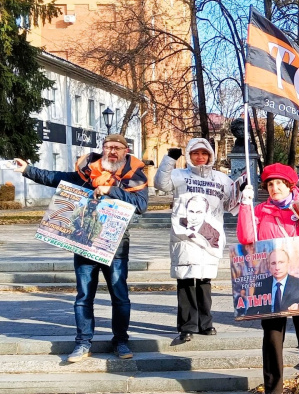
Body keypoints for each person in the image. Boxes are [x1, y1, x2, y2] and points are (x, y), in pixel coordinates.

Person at [12, 134, 148, 362]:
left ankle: (121, 342)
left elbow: (141, 205)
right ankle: (83, 343)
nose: (112, 151)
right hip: (84, 242)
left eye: (117, 147)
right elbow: (56, 178)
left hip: (116, 246)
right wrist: (28, 170)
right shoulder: (87, 173)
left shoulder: (134, 176)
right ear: (102, 150)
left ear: (126, 151)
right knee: (84, 296)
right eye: (108, 147)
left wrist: (109, 190)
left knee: (120, 296)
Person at [237, 163, 299, 394]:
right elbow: (246, 238)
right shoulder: (260, 210)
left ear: (289, 185)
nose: (274, 187)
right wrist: (245, 206)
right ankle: (272, 390)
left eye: (279, 183)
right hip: (271, 278)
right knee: (273, 337)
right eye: (270, 184)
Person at [155, 138, 235, 342]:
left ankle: (205, 323)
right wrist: (169, 160)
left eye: (204, 153)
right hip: (185, 237)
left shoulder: (221, 179)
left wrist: (245, 192)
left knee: (204, 281)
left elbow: (231, 203)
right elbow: (160, 184)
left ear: (210, 156)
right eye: (195, 153)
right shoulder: (179, 175)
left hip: (210, 237)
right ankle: (187, 325)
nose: (200, 157)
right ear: (189, 155)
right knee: (186, 280)